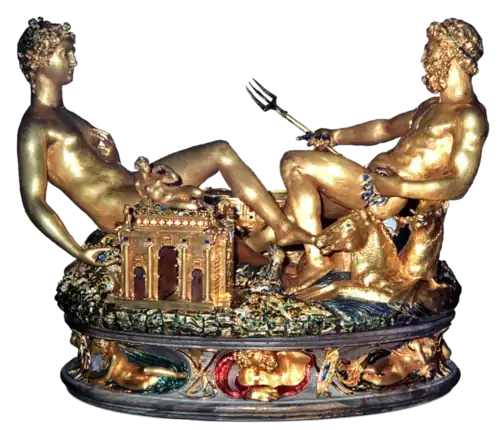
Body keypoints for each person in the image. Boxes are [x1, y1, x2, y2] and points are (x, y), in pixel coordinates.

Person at [16, 17, 313, 267]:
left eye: (73, 52)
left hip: (134, 182)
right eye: (65, 53)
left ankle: (282, 228)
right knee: (194, 210)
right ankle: (263, 265)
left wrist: (111, 155)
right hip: (118, 206)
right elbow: (34, 201)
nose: (74, 61)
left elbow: (97, 166)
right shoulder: (35, 127)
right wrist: (78, 250)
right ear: (40, 59)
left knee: (220, 151)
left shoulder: (66, 114)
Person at [245, 17, 488, 291]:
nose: (424, 58)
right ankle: (248, 253)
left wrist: (399, 186)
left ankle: (316, 261)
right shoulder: (431, 107)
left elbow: (458, 183)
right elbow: (385, 128)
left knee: (295, 164)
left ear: (450, 53)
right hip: (372, 183)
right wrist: (335, 136)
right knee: (298, 205)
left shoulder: (468, 116)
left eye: (430, 49)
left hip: (383, 196)